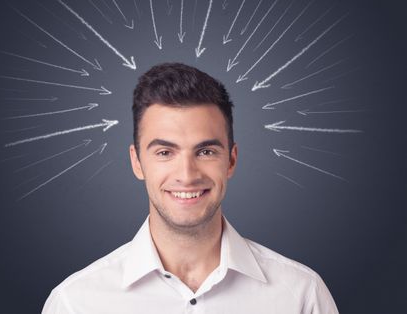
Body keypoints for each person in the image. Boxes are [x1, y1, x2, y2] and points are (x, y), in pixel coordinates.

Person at [42, 63, 339, 313]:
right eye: (164, 152)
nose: (187, 175)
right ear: (137, 162)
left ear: (231, 161)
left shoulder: (301, 295)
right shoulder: (75, 303)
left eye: (206, 152)